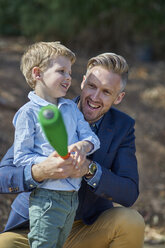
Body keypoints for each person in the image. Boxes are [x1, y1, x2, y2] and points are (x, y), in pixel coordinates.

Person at [0, 52, 145, 248]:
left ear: (119, 97)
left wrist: (89, 170)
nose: (94, 97)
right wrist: (40, 171)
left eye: (106, 92)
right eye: (92, 86)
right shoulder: (51, 111)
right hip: (36, 225)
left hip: (86, 229)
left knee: (131, 222)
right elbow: (4, 175)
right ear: (83, 82)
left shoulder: (122, 127)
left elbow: (128, 192)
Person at [0, 41, 100, 248]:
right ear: (37, 73)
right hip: (46, 197)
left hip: (72, 197)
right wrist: (50, 163)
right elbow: (21, 157)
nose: (68, 77)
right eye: (61, 71)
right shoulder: (28, 113)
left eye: (70, 72)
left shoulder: (71, 109)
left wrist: (83, 146)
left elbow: (92, 138)